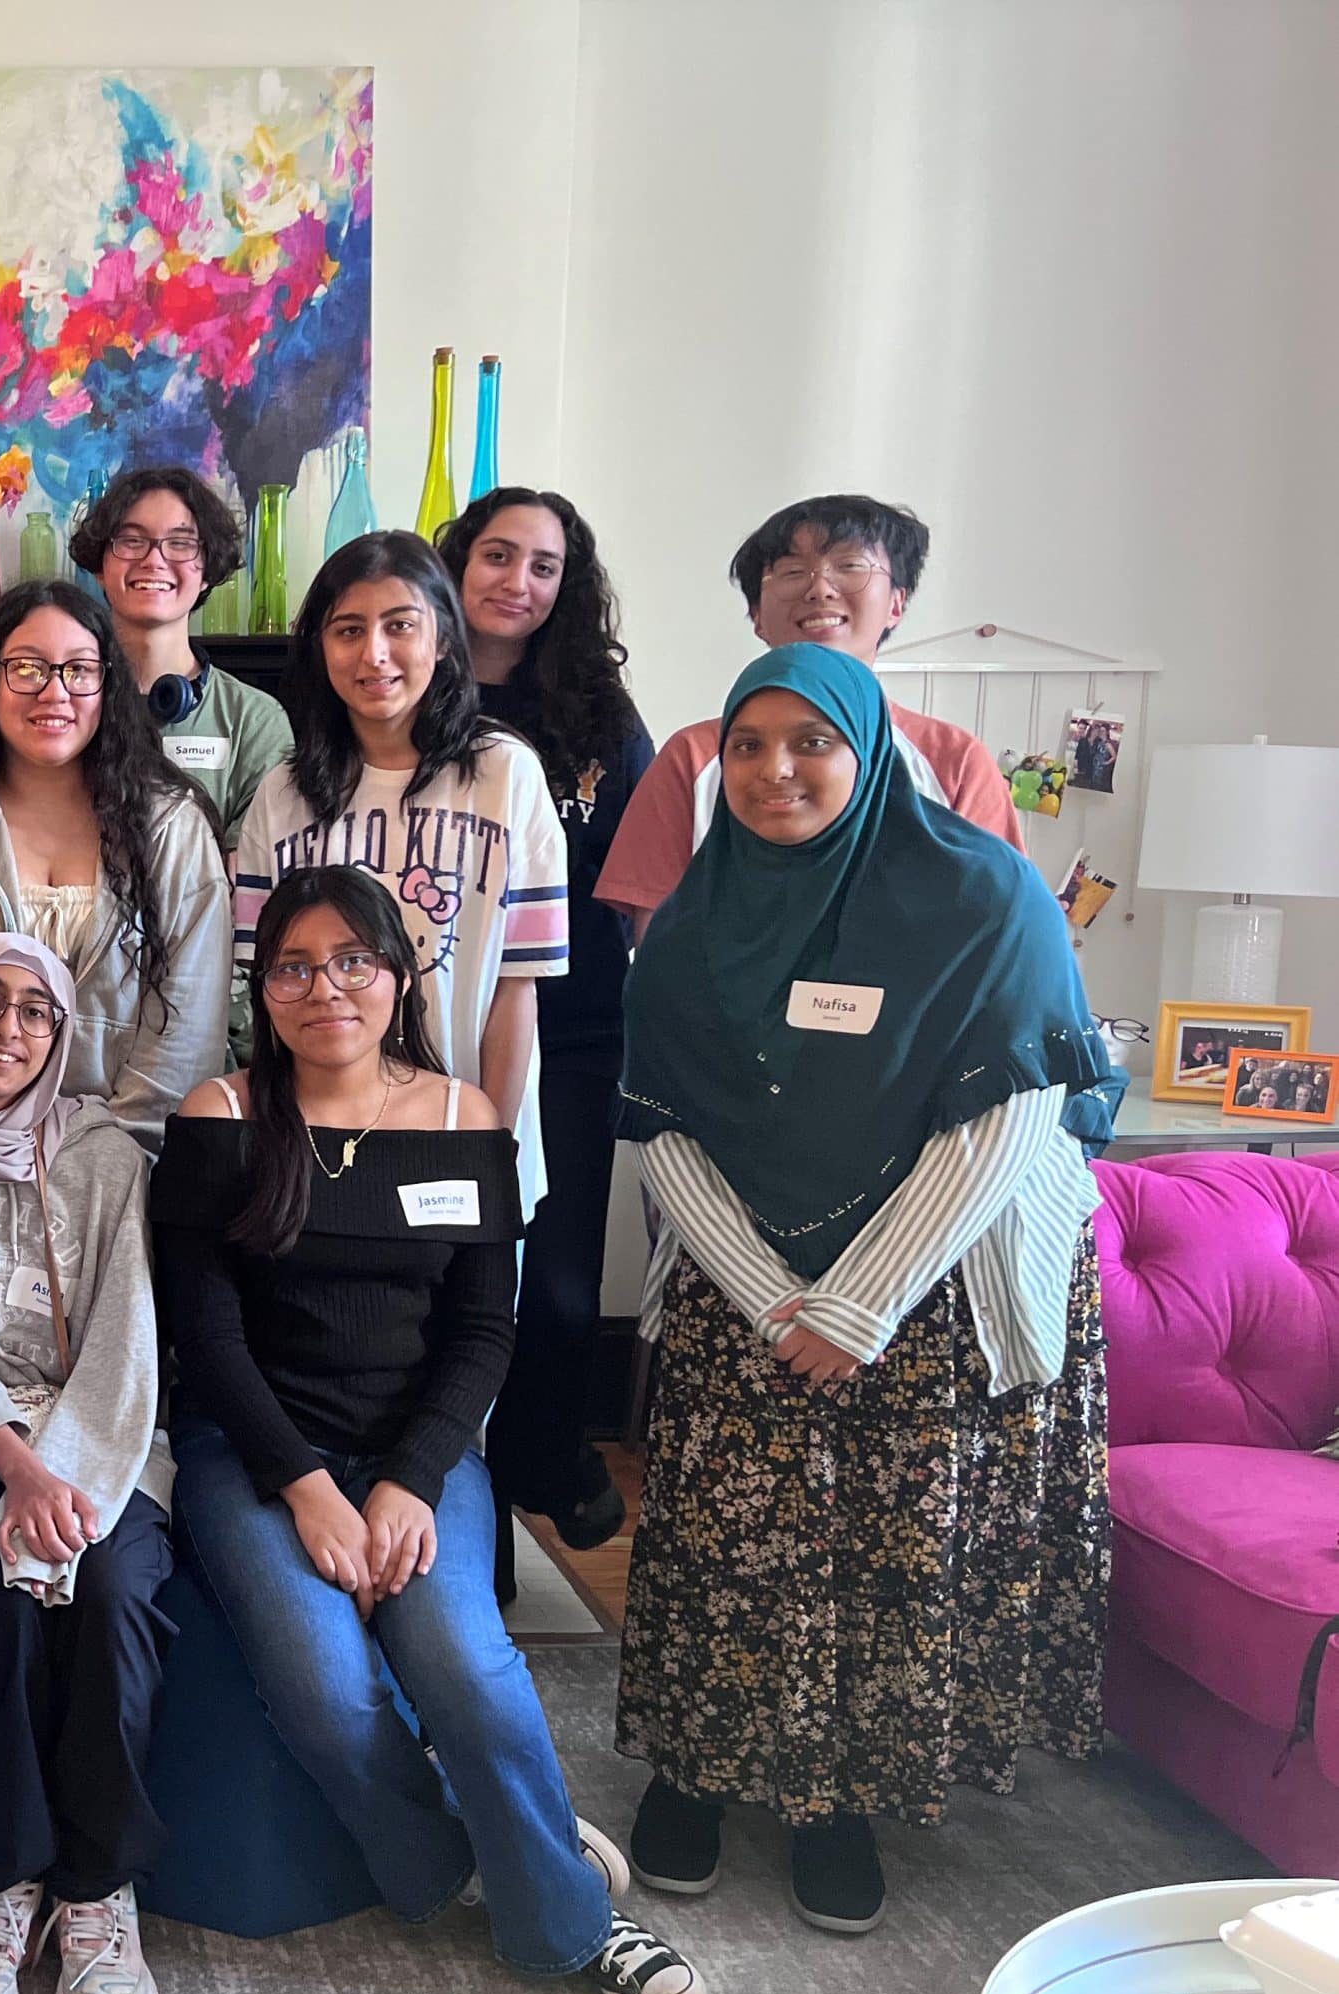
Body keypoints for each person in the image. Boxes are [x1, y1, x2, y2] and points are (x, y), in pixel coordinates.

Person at [616, 643, 1115, 1937]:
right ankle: (695, 1767)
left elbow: (1013, 1114)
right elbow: (663, 1124)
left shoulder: (985, 894)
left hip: (934, 1285)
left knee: (877, 1556)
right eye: (748, 745)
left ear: (869, 748)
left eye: (811, 742)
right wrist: (773, 1289)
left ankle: (838, 1798)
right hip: (752, 1293)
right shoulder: (697, 916)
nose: (778, 771)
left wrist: (863, 1299)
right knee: (724, 1536)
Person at [155, 867, 708, 1994]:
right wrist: (307, 1490)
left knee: (461, 1664)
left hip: (422, 1455)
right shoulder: (216, 1118)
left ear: (397, 978)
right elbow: (201, 1337)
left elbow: (480, 1329)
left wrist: (410, 1479)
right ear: (264, 988)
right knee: (324, 1690)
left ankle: (563, 1918)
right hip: (256, 1458)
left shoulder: (464, 1120)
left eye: (351, 962)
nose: (324, 991)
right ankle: (462, 1855)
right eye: (294, 968)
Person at [0, 934, 174, 1994]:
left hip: (106, 1447)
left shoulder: (106, 1157)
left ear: (62, 1036)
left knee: (111, 1595)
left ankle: (97, 1891)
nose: (6, 1030)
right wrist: (12, 1462)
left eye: (34, 1012)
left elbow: (127, 1338)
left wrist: (67, 1477)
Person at [232, 532, 569, 1222]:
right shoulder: (282, 795)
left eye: (400, 625)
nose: (374, 654)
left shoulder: (506, 775)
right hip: (321, 1145)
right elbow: (269, 992)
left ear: (442, 638)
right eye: (348, 630)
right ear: (320, 647)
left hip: (467, 1132)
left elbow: (516, 989)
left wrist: (487, 1149)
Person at [434, 489, 652, 1551]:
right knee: (441, 1277)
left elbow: (643, 878)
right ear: (456, 563)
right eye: (495, 555)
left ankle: (536, 1464)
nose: (514, 581)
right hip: (425, 1033)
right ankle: (467, 1505)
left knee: (560, 1294)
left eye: (542, 564)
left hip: (568, 1037)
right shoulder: (403, 688)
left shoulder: (597, 717)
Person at [0, 579, 229, 1151]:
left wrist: (112, 1160)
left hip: (131, 1167)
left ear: (108, 685)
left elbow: (191, 1023)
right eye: (27, 669)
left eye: (80, 670)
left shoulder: (172, 828)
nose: (54, 692)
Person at [593, 493, 1024, 933]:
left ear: (897, 602)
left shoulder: (955, 761)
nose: (819, 588)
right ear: (757, 616)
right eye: (792, 572)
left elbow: (998, 929)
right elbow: (659, 957)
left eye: (851, 566)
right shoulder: (694, 758)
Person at [69, 465, 293, 845]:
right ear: (100, 568)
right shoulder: (59, 702)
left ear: (207, 570)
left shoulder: (254, 721)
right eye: (131, 540)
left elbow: (256, 872)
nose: (154, 560)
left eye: (180, 543)